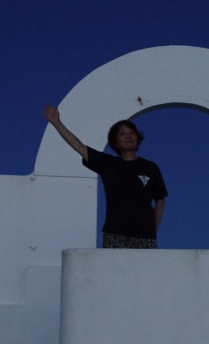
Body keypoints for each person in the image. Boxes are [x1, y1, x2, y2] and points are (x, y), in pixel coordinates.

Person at [44, 104, 168, 248]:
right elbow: (79, 147)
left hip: (145, 237)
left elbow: (160, 201)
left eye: (132, 133)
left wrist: (152, 230)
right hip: (115, 234)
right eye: (122, 134)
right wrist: (57, 123)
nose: (128, 136)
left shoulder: (150, 167)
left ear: (138, 137)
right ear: (115, 141)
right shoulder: (108, 164)